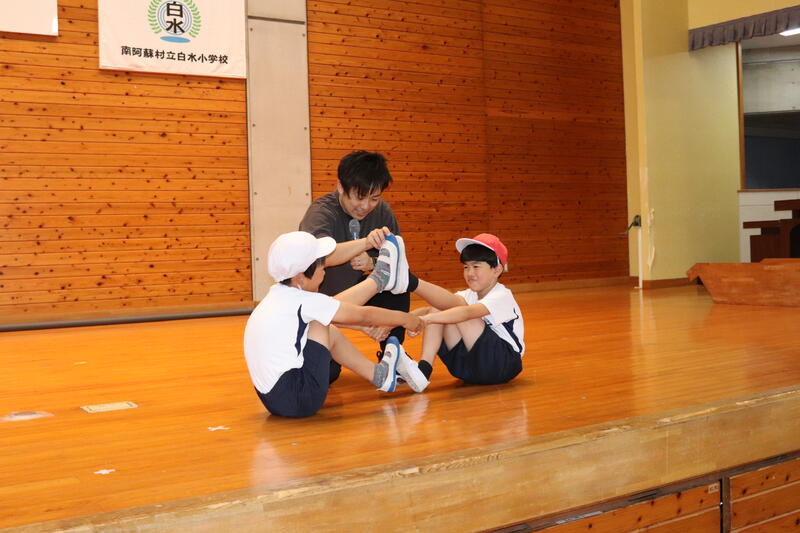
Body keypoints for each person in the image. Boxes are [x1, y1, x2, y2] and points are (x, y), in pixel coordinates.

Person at [243, 231, 428, 418]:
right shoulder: (302, 301)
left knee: (325, 323)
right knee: (321, 322)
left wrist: (363, 327)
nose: (324, 269)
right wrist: (405, 319)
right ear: (300, 278)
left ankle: (380, 375)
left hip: (274, 400)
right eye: (320, 265)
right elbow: (364, 315)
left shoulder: (275, 297)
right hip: (300, 398)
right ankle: (381, 279)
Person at [299, 150, 418, 373]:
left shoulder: (383, 211)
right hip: (322, 301)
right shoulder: (320, 212)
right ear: (341, 187)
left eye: (374, 198)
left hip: (358, 292)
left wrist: (373, 263)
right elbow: (320, 256)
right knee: (327, 374)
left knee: (398, 286)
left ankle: (393, 353)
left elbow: (398, 260)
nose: (365, 206)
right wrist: (366, 243)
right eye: (359, 197)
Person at [406, 233, 524, 388]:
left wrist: (426, 320)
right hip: (469, 368)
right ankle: (423, 370)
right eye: (466, 267)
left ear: (497, 270)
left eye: (476, 266)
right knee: (440, 307)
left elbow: (466, 313)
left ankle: (410, 281)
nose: (470, 273)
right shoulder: (469, 295)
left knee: (457, 311)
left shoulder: (502, 295)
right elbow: (432, 309)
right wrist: (405, 319)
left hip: (501, 365)